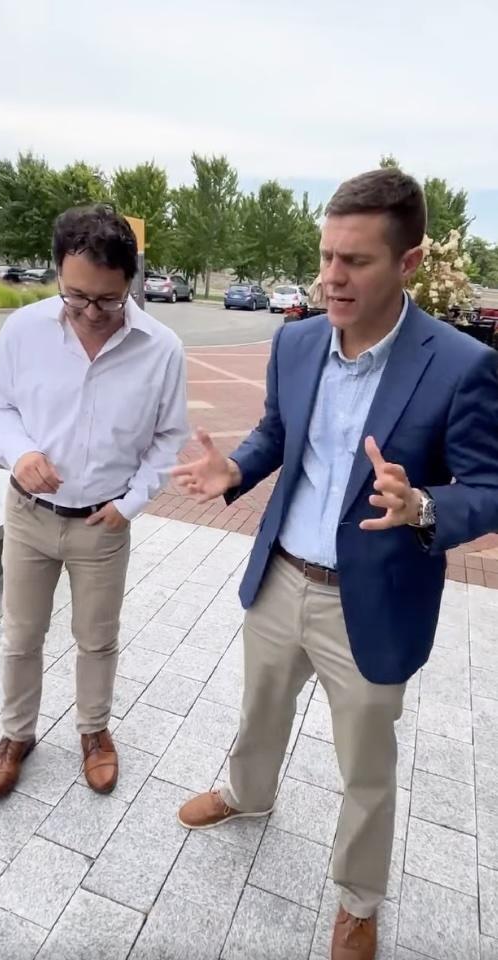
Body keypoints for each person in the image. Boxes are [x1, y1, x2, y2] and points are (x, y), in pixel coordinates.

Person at [173, 169, 498, 960]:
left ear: (409, 263)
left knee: (366, 764)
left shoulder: (460, 364)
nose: (331, 278)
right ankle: (248, 793)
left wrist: (422, 505)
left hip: (374, 599)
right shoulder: (296, 341)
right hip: (282, 575)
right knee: (260, 709)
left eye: (355, 261)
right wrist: (236, 469)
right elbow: (278, 433)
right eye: (326, 257)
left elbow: (489, 487)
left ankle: (358, 899)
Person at [0, 204, 188, 799]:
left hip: (103, 521)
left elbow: (169, 436)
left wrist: (132, 503)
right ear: (57, 274)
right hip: (29, 514)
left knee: (97, 638)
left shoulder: (162, 349)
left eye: (108, 300)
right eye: (76, 296)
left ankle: (94, 730)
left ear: (131, 283)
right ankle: (16, 734)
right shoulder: (23, 331)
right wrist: (19, 453)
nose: (91, 312)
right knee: (21, 635)